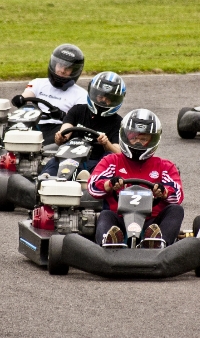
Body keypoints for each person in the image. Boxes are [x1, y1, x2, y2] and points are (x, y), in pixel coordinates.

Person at [88, 109, 184, 249]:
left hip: (153, 223)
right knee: (105, 214)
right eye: (134, 138)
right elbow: (93, 187)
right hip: (119, 221)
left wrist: (163, 192)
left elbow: (178, 196)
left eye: (144, 139)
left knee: (176, 210)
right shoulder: (111, 161)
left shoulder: (164, 166)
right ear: (125, 136)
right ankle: (110, 243)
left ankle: (157, 243)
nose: (138, 143)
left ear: (153, 140)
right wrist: (110, 184)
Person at [40, 71, 126, 176]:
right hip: (67, 159)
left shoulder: (118, 123)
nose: (103, 101)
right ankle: (44, 181)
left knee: (106, 163)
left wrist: (106, 143)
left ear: (116, 100)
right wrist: (60, 138)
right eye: (100, 96)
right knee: (52, 164)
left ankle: (86, 182)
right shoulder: (77, 110)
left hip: (95, 162)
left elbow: (118, 152)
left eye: (108, 99)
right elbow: (65, 131)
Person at [11, 44, 87, 145]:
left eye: (67, 68)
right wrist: (20, 100)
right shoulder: (38, 83)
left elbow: (78, 121)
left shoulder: (81, 95)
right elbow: (27, 96)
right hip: (32, 125)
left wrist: (62, 116)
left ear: (75, 71)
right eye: (60, 66)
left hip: (58, 129)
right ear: (54, 64)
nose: (62, 71)